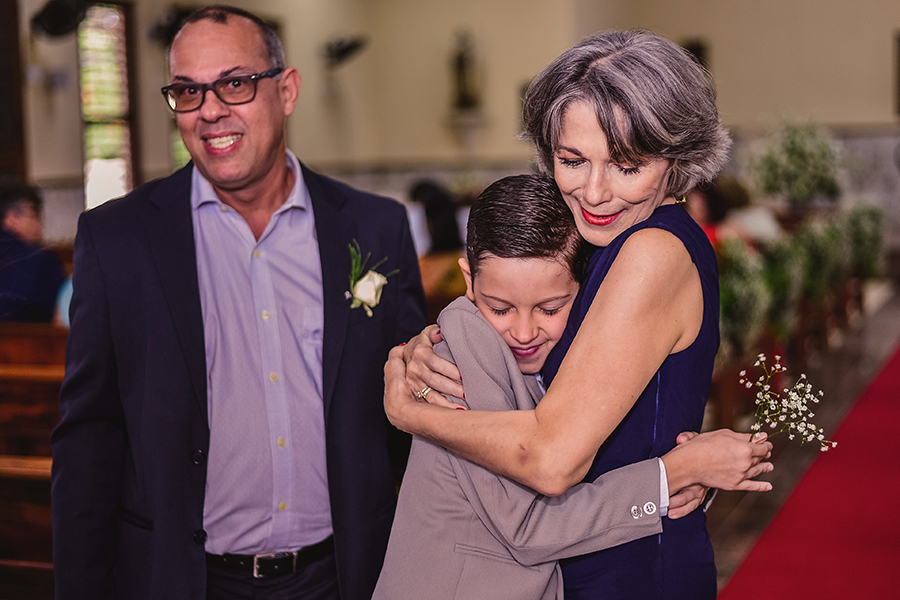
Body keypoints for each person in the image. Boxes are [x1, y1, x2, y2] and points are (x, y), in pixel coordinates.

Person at [50, 5, 426, 600]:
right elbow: (90, 437)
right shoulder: (119, 241)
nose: (211, 110)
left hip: (346, 574)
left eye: (235, 82)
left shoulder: (374, 229)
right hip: (186, 578)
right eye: (188, 91)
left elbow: (413, 415)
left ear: (287, 89)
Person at [384, 29, 772, 599]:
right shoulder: (603, 238)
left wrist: (411, 414)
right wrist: (442, 340)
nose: (593, 191)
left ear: (676, 159)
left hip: (629, 568)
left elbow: (550, 460)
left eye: (626, 165)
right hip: (587, 550)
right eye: (573, 160)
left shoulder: (651, 250)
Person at [376, 173, 721, 600]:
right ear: (468, 281)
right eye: (500, 308)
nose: (523, 331)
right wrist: (671, 478)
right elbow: (527, 527)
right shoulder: (453, 361)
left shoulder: (568, 345)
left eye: (550, 308)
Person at [0, 182, 66, 322]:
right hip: (25, 343)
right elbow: (63, 317)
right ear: (12, 217)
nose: (41, 223)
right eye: (35, 215)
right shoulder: (40, 262)